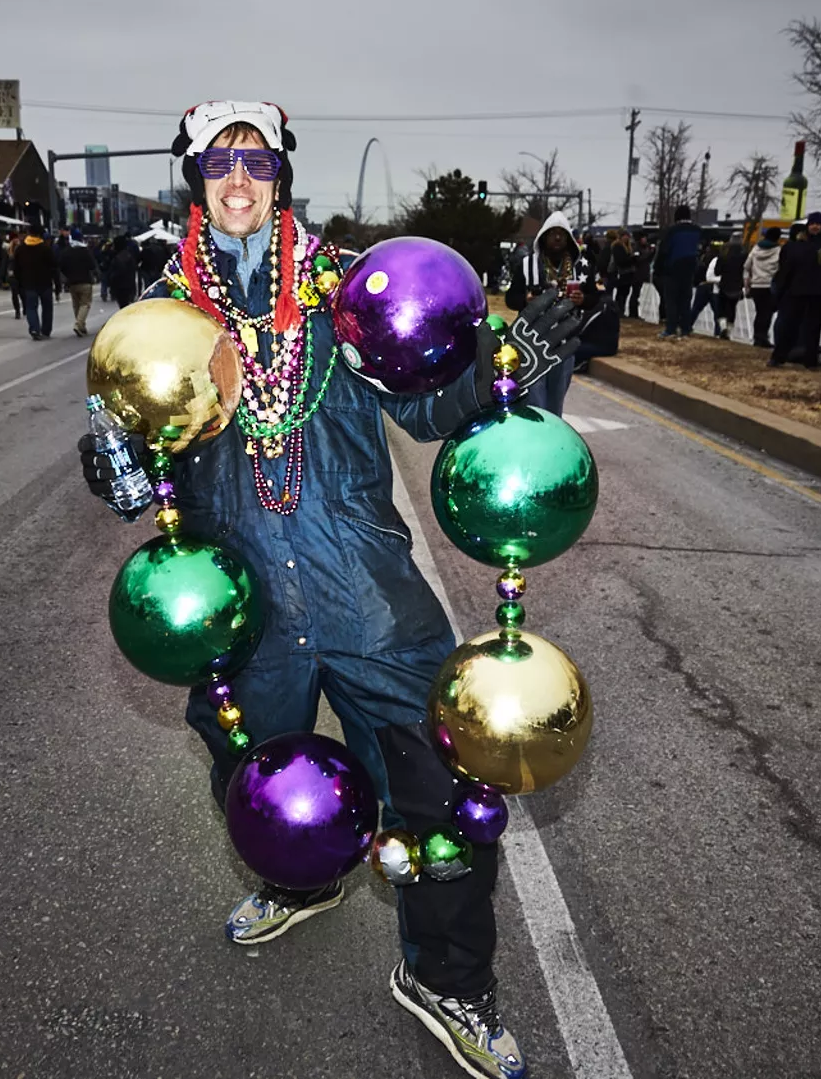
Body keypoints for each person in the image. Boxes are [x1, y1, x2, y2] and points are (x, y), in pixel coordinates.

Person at [77, 100, 582, 1079]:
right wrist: (115, 467)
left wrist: (494, 369)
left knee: (443, 789)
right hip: (244, 609)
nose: (237, 178)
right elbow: (133, 461)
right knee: (251, 776)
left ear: (280, 176)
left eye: (256, 160)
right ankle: (298, 879)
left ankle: (446, 976)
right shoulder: (159, 321)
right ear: (192, 181)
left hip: (369, 597)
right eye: (216, 163)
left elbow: (427, 405)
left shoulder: (343, 298)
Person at [507, 208, 609, 411]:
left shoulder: (584, 266)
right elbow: (511, 298)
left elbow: (597, 296)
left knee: (554, 404)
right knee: (535, 403)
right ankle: (536, 439)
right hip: (532, 345)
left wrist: (584, 299)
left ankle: (552, 438)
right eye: (552, 233)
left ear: (569, 238)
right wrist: (526, 300)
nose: (556, 238)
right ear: (543, 238)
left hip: (563, 347)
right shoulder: (527, 265)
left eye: (561, 234)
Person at [768, 211, 821, 369]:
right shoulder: (796, 245)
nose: (815, 227)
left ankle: (810, 360)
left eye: (818, 224)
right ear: (808, 226)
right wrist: (780, 290)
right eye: (812, 224)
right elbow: (786, 269)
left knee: (814, 328)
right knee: (790, 325)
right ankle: (779, 356)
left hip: (820, 292)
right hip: (797, 291)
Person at [652, 205, 702, 338]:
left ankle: (671, 329)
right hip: (690, 268)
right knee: (685, 299)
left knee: (671, 300)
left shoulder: (672, 231)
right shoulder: (697, 230)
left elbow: (663, 251)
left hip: (673, 268)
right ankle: (685, 328)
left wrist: (657, 269)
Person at [13, 223, 56, 340]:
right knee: (47, 307)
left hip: (29, 283)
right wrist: (55, 282)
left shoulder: (21, 249)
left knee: (31, 307)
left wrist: (19, 281)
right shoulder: (45, 248)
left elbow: (16, 267)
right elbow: (54, 265)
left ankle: (34, 328)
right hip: (45, 282)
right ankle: (46, 330)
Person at [743, 226, 781, 347]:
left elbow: (746, 265)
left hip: (756, 285)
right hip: (769, 285)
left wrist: (748, 280)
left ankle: (757, 336)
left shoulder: (755, 249)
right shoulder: (778, 250)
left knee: (759, 312)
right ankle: (763, 337)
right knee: (767, 313)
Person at [58, 226, 99, 336]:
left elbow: (61, 266)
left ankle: (81, 326)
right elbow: (92, 265)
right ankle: (78, 324)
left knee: (76, 305)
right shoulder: (85, 251)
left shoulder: (66, 251)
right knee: (85, 304)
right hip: (85, 281)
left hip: (72, 282)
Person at [714, 239, 745, 340]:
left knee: (721, 308)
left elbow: (717, 272)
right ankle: (729, 330)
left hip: (724, 286)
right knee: (732, 308)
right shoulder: (743, 258)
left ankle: (723, 327)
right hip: (737, 287)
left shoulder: (723, 258)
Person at [108, 234, 139, 308]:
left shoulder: (119, 257)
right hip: (128, 285)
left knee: (123, 305)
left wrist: (112, 281)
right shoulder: (128, 255)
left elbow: (118, 273)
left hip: (121, 287)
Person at [630, 232, 651, 320]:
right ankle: (633, 313)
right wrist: (648, 254)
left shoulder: (645, 248)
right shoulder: (636, 248)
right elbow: (637, 260)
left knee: (637, 293)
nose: (645, 240)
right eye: (643, 238)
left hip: (643, 273)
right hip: (637, 273)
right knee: (635, 293)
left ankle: (635, 312)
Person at [4, 232, 23, 318]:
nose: (16, 240)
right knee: (14, 293)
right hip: (12, 274)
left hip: (22, 273)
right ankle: (17, 311)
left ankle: (25, 307)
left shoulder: (22, 247)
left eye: (17, 238)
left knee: (23, 293)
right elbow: (5, 262)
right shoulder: (8, 249)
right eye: (14, 238)